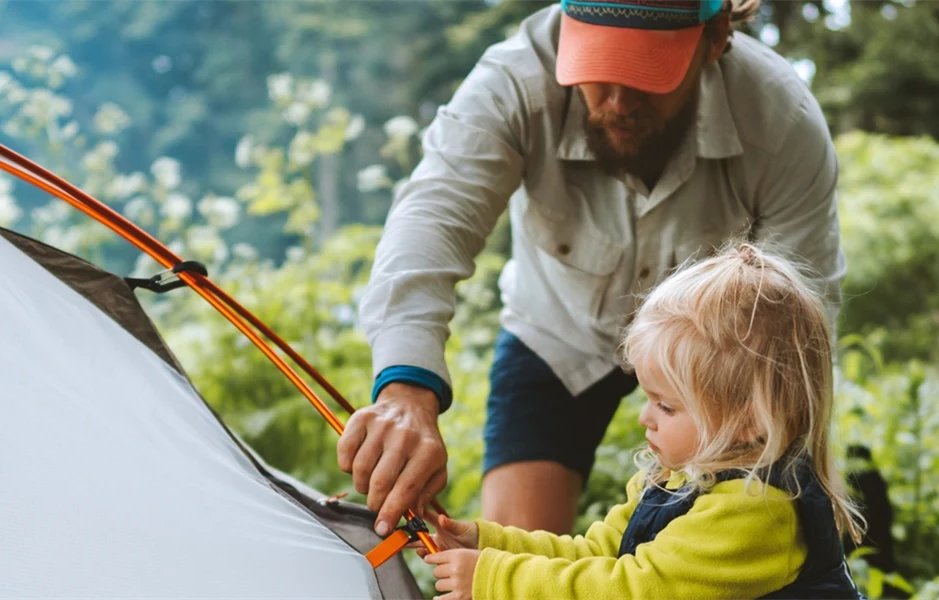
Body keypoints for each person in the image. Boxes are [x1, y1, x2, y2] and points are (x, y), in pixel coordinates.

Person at [341, 0, 846, 536]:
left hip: (719, 361)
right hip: (557, 335)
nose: (619, 101)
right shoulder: (513, 81)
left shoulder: (781, 118)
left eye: (649, 72)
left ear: (715, 36)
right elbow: (433, 219)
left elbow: (798, 326)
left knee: (745, 543)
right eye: (599, 67)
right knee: (513, 563)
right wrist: (406, 393)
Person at [418, 243, 866, 600]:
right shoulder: (677, 480)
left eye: (667, 406)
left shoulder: (755, 512)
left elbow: (630, 588)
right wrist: (488, 544)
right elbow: (598, 555)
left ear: (749, 420)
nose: (644, 418)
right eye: (648, 398)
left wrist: (496, 579)